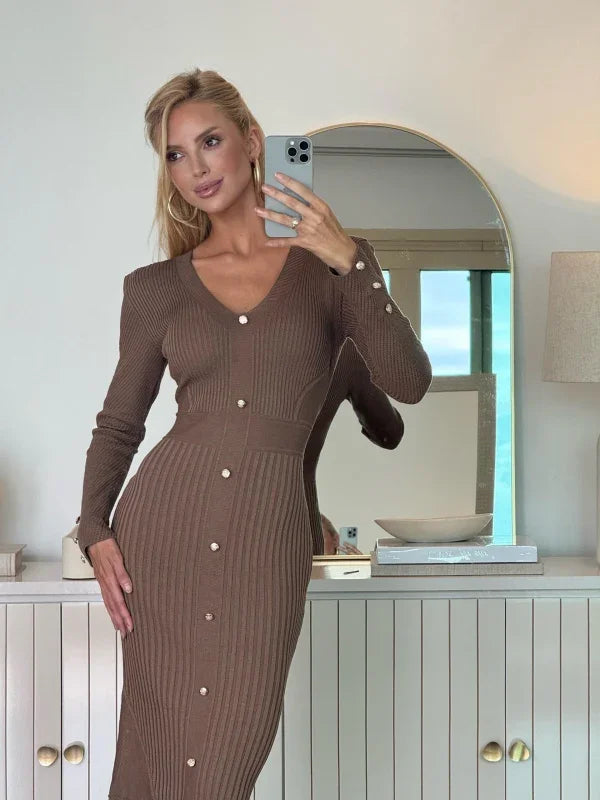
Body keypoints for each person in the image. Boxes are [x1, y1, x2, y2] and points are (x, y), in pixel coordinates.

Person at [76, 68, 432, 800]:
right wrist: (94, 528)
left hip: (266, 542)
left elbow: (408, 382)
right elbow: (119, 423)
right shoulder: (155, 289)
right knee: (156, 752)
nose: (196, 167)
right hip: (164, 536)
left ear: (252, 140)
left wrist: (351, 258)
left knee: (224, 766)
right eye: (176, 154)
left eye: (210, 141)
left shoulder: (330, 272)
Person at [304, 336, 406, 556]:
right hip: (296, 522)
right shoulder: (342, 351)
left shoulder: (231, 338)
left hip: (229, 514)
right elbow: (389, 433)